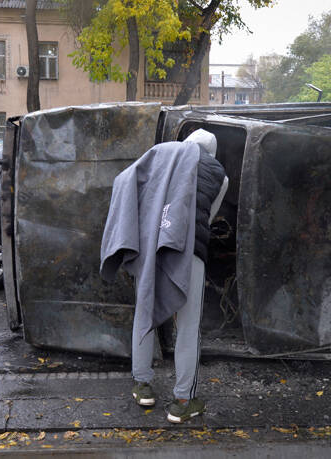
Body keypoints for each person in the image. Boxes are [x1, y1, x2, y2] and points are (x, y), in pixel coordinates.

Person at [101, 129, 228, 423]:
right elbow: (207, 218)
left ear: (186, 145)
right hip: (189, 250)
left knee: (144, 312)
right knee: (188, 326)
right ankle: (183, 401)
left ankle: (143, 386)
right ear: (212, 152)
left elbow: (124, 180)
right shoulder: (220, 175)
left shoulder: (162, 154)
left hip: (150, 247)